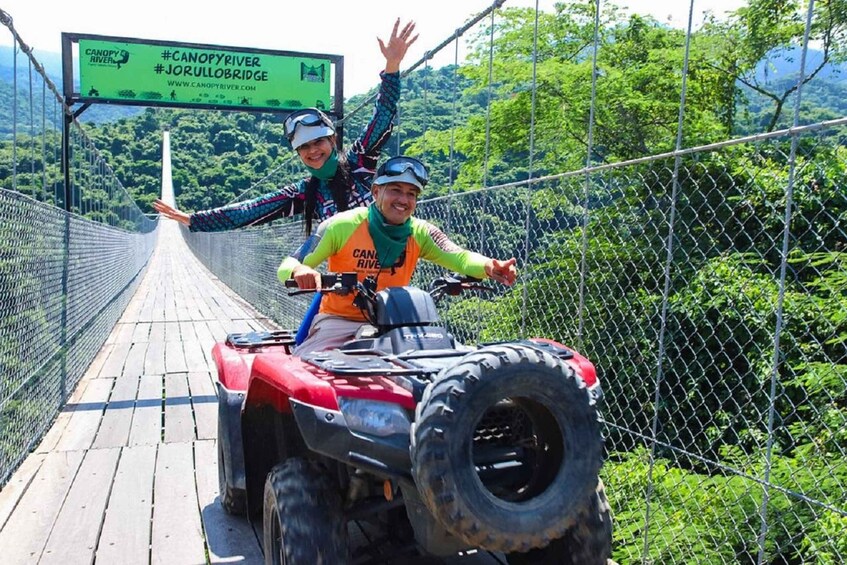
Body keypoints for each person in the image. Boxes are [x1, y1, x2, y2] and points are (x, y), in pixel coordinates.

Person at [152, 18, 418, 235]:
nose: (313, 151)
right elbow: (249, 211)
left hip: (387, 264)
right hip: (344, 276)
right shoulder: (305, 193)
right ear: (298, 153)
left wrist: (392, 66)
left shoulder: (360, 161)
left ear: (332, 141)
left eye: (318, 142)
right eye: (304, 147)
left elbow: (383, 116)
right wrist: (193, 219)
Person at [277, 155, 518, 354]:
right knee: (310, 368)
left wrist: (489, 266)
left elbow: (459, 256)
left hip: (397, 324)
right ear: (375, 192)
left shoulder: (420, 232)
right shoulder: (341, 226)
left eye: (411, 193)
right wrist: (301, 270)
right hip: (341, 321)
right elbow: (290, 263)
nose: (403, 199)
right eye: (395, 190)